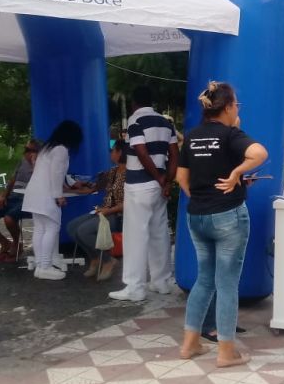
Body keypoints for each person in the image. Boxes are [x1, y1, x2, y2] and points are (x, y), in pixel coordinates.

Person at [176, 81, 267, 368]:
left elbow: (181, 178)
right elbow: (259, 154)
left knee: (204, 280)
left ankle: (190, 344)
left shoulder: (192, 136)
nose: (237, 109)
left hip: (197, 216)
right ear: (227, 107)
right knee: (226, 284)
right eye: (236, 104)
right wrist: (237, 173)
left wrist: (202, 197)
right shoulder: (230, 135)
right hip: (228, 216)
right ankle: (226, 352)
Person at [110, 86, 179, 303]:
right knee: (159, 233)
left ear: (134, 103)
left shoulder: (135, 121)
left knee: (135, 236)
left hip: (139, 186)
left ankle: (135, 287)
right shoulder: (166, 123)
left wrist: (158, 178)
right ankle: (161, 281)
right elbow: (174, 154)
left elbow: (140, 151)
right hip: (159, 188)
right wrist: (167, 181)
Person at [22, 121, 86, 281]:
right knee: (51, 228)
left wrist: (64, 188)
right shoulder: (61, 150)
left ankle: (40, 266)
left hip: (34, 193)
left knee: (40, 229)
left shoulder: (47, 148)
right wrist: (59, 196)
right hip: (46, 195)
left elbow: (51, 173)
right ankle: (45, 267)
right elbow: (56, 174)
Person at [0, 139, 41, 262]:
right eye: (25, 149)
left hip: (30, 200)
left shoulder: (43, 165)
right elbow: (12, 180)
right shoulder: (22, 162)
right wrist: (4, 196)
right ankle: (4, 242)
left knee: (9, 218)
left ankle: (16, 244)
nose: (25, 153)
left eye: (29, 150)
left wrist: (35, 164)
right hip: (13, 197)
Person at [68, 140, 126, 281]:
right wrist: (66, 189)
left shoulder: (131, 174)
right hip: (104, 212)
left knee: (83, 231)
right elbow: (92, 189)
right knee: (72, 227)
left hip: (119, 215)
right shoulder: (112, 172)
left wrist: (108, 211)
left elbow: (128, 203)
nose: (110, 153)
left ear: (120, 153)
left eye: (112, 150)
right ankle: (95, 258)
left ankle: (108, 260)